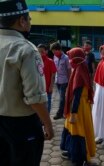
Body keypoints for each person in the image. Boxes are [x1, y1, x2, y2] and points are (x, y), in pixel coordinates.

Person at [0, 1, 54, 165]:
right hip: (21, 126)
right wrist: (48, 125)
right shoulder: (26, 49)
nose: (30, 23)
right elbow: (35, 98)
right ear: (22, 21)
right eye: (29, 19)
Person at [60, 48, 96, 166]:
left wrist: (74, 113)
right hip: (77, 106)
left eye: (70, 58)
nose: (69, 61)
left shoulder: (79, 73)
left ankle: (80, 157)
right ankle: (71, 151)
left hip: (78, 108)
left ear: (75, 59)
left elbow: (77, 95)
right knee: (71, 129)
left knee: (78, 131)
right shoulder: (79, 68)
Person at [50, 42, 71, 120]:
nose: (54, 52)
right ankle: (66, 111)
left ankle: (59, 113)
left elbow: (69, 70)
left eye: (55, 51)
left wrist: (69, 81)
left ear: (59, 50)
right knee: (62, 98)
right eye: (52, 51)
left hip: (64, 81)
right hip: (57, 80)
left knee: (62, 98)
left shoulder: (66, 58)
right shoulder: (54, 57)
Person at [37, 44, 57, 113]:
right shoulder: (36, 61)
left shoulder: (50, 61)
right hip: (38, 88)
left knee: (47, 104)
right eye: (38, 51)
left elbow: (53, 74)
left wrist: (51, 86)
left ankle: (47, 118)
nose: (40, 53)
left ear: (46, 51)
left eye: (42, 51)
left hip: (47, 86)